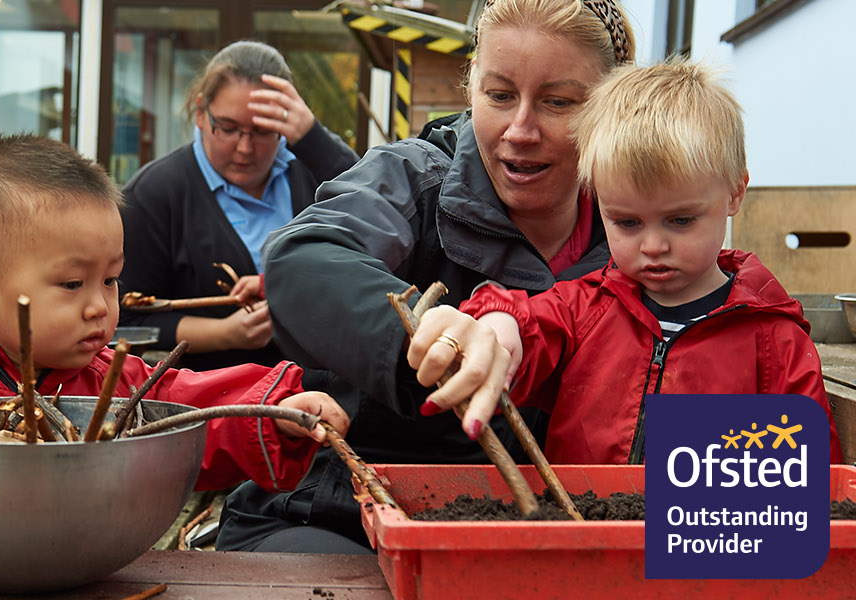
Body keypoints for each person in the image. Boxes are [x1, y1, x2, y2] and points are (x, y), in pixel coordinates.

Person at [218, 0, 636, 553]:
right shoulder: (416, 181)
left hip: (544, 541)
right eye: (499, 95)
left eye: (558, 102)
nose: (520, 129)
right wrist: (427, 343)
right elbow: (303, 257)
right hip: (342, 517)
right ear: (470, 89)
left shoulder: (639, 232)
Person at [0, 134, 351, 549]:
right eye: (72, 284)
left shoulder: (113, 383)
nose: (100, 305)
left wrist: (276, 409)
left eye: (111, 279)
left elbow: (196, 410)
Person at [408, 61, 841, 464]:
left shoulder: (773, 342)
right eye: (627, 222)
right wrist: (499, 326)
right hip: (582, 532)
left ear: (734, 193)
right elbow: (528, 323)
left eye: (680, 220)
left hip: (708, 538)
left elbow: (810, 487)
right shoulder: (586, 308)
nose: (653, 245)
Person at [119, 40, 358, 372]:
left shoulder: (312, 172)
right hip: (215, 400)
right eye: (228, 129)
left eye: (263, 131)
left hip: (323, 384)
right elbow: (127, 321)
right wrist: (224, 334)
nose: (245, 148)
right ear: (201, 113)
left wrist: (315, 139)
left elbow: (373, 206)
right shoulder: (155, 195)